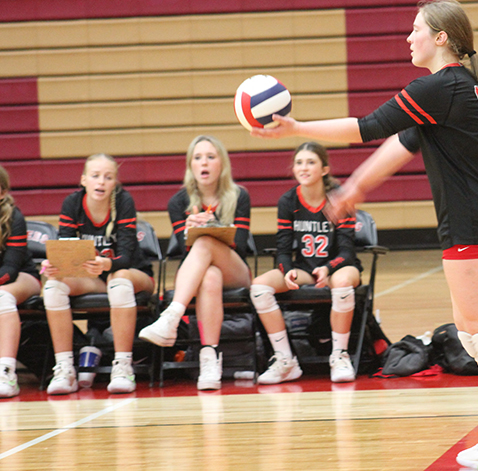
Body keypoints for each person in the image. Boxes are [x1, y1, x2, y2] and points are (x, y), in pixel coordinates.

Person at [251, 0, 478, 469]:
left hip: (477, 226)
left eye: (416, 28)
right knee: (473, 335)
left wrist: (296, 129)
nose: (408, 37)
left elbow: (367, 126)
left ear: (441, 38)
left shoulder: (437, 87)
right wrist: (356, 187)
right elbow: (399, 143)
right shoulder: (456, 88)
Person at [139, 135, 252, 391]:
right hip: (198, 273)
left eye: (211, 157)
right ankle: (209, 359)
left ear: (222, 164)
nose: (205, 163)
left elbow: (241, 244)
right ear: (190, 165)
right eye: (198, 158)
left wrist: (210, 228)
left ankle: (172, 317)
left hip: (236, 271)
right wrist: (190, 232)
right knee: (209, 275)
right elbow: (184, 249)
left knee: (205, 244)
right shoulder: (178, 202)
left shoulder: (239, 196)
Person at [41, 154, 154, 395]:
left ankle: (123, 367)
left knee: (119, 281)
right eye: (95, 176)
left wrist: (105, 264)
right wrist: (55, 266)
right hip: (93, 278)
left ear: (115, 183)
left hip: (134, 275)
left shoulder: (123, 201)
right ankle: (65, 368)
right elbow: (66, 250)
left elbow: (125, 256)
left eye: (108, 177)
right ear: (84, 180)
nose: (101, 182)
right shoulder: (72, 203)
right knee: (53, 286)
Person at [250, 142, 361, 385]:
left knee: (342, 281)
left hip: (338, 267)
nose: (304, 167)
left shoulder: (340, 199)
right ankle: (285, 360)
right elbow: (282, 249)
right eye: (299, 162)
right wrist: (287, 271)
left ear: (324, 169)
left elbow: (347, 251)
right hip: (304, 269)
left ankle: (339, 355)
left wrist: (329, 268)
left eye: (311, 162)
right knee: (259, 287)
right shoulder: (288, 201)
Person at [0, 166, 42, 398]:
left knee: (2, 297)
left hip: (23, 277)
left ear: (2, 192)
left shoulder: (14, 217)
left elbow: (11, 269)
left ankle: (6, 373)